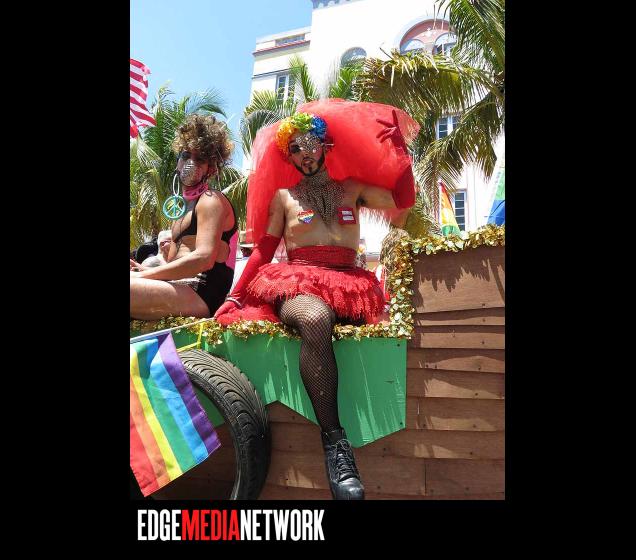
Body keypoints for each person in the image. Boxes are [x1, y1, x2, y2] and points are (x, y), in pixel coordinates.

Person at [214, 99, 418, 500]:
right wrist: (235, 296)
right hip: (297, 282)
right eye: (295, 148)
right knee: (314, 318)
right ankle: (336, 445)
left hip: (351, 284)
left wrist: (398, 149)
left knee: (385, 324)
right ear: (289, 156)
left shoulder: (353, 189)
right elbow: (263, 250)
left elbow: (401, 199)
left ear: (325, 145)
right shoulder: (284, 197)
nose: (304, 152)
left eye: (310, 143)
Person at [130, 114, 238, 320]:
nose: (190, 163)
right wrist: (141, 269)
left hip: (200, 295)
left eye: (200, 159)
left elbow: (203, 260)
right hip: (177, 287)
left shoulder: (211, 200)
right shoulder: (182, 209)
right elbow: (174, 263)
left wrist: (143, 276)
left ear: (211, 168)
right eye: (186, 155)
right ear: (178, 161)